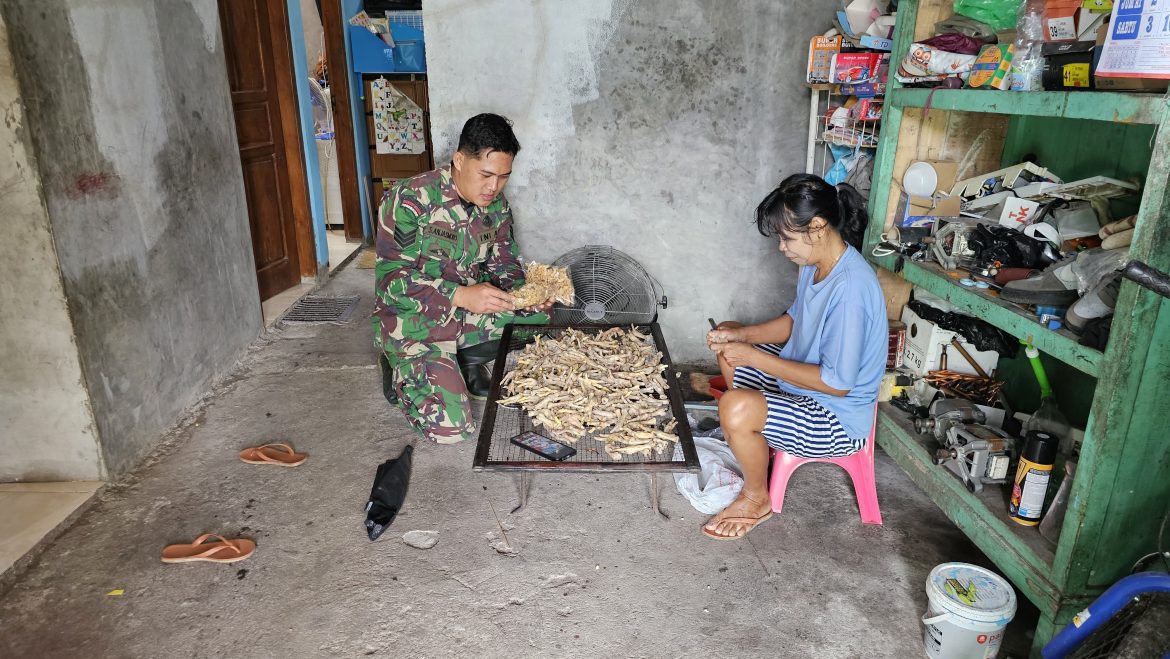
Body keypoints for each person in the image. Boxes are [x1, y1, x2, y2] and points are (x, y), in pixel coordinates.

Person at [702, 174, 886, 540]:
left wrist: (754, 356)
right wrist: (740, 336)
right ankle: (753, 439)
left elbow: (836, 384)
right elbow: (794, 321)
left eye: (787, 238)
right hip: (801, 387)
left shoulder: (851, 290)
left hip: (836, 420)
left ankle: (757, 497)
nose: (782, 248)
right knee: (730, 341)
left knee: (736, 407)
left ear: (817, 227)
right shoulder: (817, 265)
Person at [373, 113, 553, 444]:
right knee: (452, 430)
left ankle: (460, 363)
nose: (493, 187)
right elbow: (392, 282)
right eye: (485, 174)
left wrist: (525, 293)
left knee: (540, 316)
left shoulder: (496, 206)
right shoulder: (411, 200)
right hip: (414, 320)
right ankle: (398, 366)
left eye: (503, 177)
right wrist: (458, 295)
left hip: (468, 311)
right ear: (459, 160)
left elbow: (505, 261)